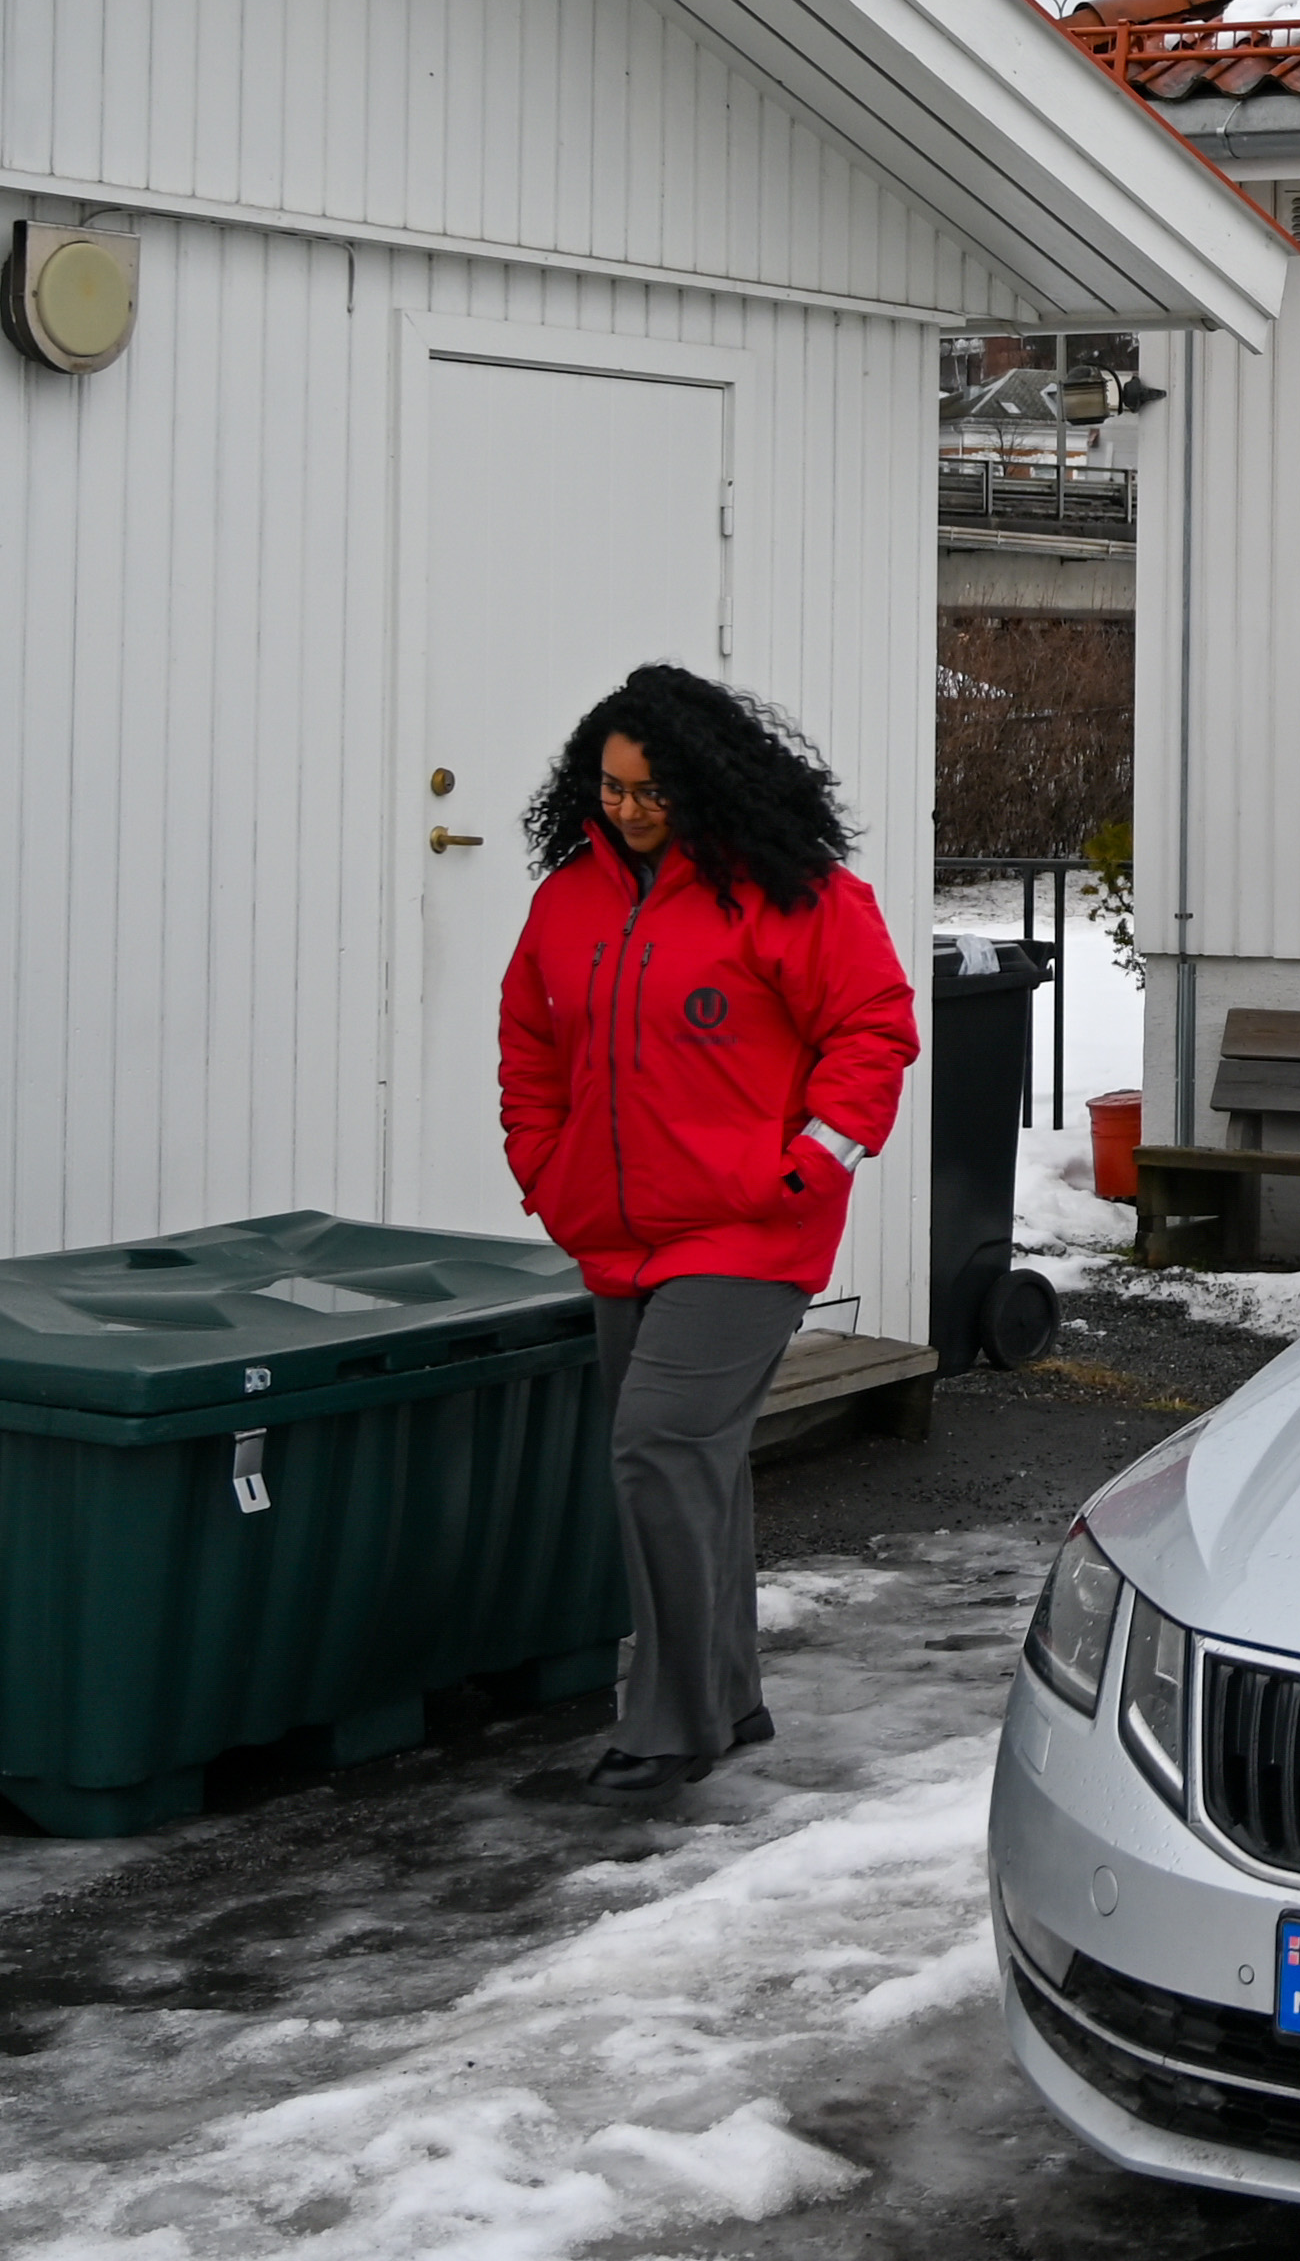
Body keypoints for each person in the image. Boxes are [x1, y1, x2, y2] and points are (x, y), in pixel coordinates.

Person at [496, 664, 918, 1800]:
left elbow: (873, 1028)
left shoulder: (791, 894)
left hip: (747, 1229)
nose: (628, 809)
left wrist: (811, 1162)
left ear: (707, 784)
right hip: (616, 1230)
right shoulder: (570, 899)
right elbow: (531, 1041)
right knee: (695, 1464)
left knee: (658, 1447)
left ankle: (669, 1725)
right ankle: (727, 1700)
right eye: (611, 788)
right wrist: (542, 1162)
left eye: (652, 790)